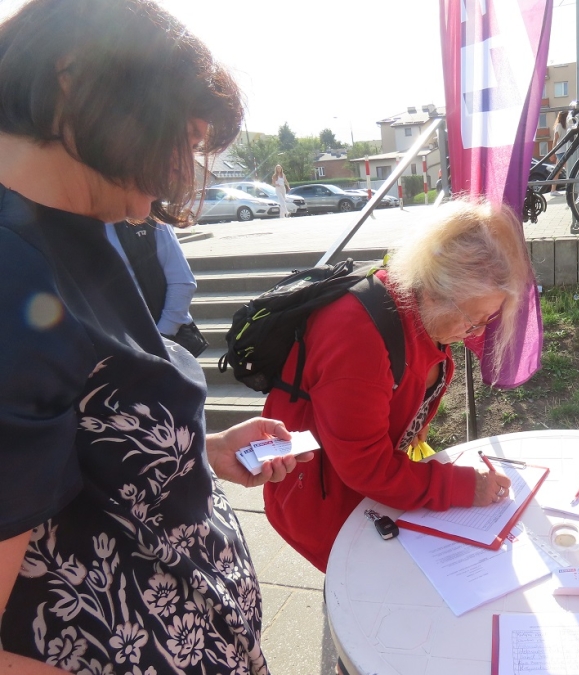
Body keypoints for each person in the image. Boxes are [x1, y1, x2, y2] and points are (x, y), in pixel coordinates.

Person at [0, 1, 312, 673]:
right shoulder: (11, 273)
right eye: (183, 139)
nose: (180, 179)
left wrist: (193, 453)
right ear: (76, 78)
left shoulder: (71, 223)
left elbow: (84, 434)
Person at [263, 199, 533, 573]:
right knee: (360, 597)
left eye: (485, 320)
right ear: (435, 290)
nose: (474, 333)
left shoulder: (420, 307)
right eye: (472, 320)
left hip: (365, 497)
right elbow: (366, 467)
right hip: (324, 504)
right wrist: (463, 486)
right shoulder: (357, 337)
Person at [106, 220, 208, 356]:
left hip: (156, 339)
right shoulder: (79, 226)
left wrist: (161, 337)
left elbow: (182, 282)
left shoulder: (149, 219)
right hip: (106, 345)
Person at [550, 110, 570, 196]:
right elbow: (555, 140)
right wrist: (552, 153)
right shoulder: (560, 126)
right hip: (562, 151)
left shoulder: (565, 126)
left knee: (557, 172)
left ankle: (553, 190)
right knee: (569, 170)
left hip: (561, 151)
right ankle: (570, 189)